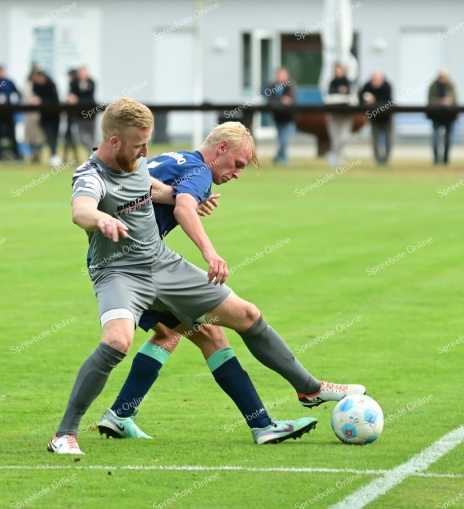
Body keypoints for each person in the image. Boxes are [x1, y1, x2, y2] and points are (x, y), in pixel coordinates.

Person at [48, 98, 352, 454]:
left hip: (162, 263)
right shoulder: (90, 174)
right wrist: (100, 218)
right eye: (140, 144)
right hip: (119, 273)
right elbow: (81, 208)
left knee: (244, 316)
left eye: (148, 142)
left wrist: (186, 197)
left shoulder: (137, 162)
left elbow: (157, 191)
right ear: (114, 142)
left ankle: (306, 390)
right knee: (119, 342)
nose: (147, 150)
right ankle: (65, 434)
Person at [325, 63, 355, 166]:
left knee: (344, 137)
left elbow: (352, 96)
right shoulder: (332, 82)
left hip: (346, 114)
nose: (337, 72)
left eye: (339, 70)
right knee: (334, 137)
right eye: (336, 70)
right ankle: (337, 159)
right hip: (333, 114)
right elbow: (328, 95)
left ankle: (333, 154)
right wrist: (339, 91)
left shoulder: (349, 82)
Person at [360, 71, 393, 165]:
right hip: (374, 117)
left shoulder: (387, 86)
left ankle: (386, 159)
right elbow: (360, 97)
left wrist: (375, 101)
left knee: (388, 138)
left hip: (387, 116)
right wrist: (365, 101)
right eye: (374, 79)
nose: (375, 81)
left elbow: (388, 100)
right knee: (374, 138)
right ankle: (377, 159)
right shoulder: (367, 86)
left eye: (378, 79)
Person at [427, 67, 457, 166]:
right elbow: (430, 101)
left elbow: (455, 100)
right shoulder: (433, 86)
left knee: (448, 139)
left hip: (449, 116)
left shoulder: (451, 85)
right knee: (435, 139)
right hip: (436, 116)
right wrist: (441, 102)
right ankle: (436, 160)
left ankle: (445, 160)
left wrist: (449, 101)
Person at [31, 70, 61, 166]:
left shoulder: (51, 84)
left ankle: (54, 155)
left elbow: (55, 100)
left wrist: (42, 101)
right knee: (48, 136)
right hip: (43, 116)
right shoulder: (36, 86)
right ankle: (51, 155)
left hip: (54, 115)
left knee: (53, 136)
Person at [265, 67, 295, 165]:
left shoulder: (290, 85)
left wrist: (285, 101)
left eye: (282, 74)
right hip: (277, 117)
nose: (279, 76)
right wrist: (281, 100)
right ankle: (282, 159)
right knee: (281, 139)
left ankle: (279, 158)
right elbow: (269, 100)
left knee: (284, 140)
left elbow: (292, 99)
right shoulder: (272, 86)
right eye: (278, 74)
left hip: (289, 118)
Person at [68, 66, 97, 153]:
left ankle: (93, 155)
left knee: (91, 136)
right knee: (80, 137)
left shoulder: (91, 83)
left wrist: (77, 100)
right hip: (79, 114)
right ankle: (94, 151)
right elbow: (71, 95)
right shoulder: (74, 83)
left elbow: (89, 98)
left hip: (90, 113)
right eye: (80, 73)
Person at [21, 65, 46, 163]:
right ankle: (30, 155)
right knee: (30, 134)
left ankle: (38, 155)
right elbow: (25, 96)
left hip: (39, 114)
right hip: (29, 113)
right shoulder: (27, 84)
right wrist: (32, 100)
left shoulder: (43, 83)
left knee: (40, 135)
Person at [0, 65, 22, 160]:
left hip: (8, 112)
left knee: (12, 134)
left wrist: (15, 104)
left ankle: (16, 155)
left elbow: (18, 94)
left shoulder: (8, 82)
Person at [63, 69, 79, 163]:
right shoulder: (71, 85)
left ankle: (73, 158)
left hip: (74, 116)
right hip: (70, 116)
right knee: (68, 137)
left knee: (72, 136)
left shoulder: (74, 85)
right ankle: (70, 158)